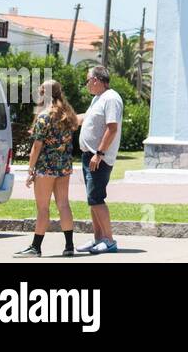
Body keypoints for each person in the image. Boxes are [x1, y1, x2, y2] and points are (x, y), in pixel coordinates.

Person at [13, 80, 78, 258]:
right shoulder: (67, 115)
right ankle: (69, 246)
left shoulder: (44, 116)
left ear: (45, 94)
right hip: (64, 167)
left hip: (46, 168)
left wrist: (30, 170)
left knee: (43, 208)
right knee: (63, 204)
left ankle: (36, 247)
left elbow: (37, 146)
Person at [75, 66, 122, 255]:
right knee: (92, 199)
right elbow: (85, 119)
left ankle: (109, 240)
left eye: (87, 80)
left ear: (96, 79)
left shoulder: (111, 99)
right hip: (90, 156)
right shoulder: (98, 99)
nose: (86, 84)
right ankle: (98, 239)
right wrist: (59, 117)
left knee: (96, 199)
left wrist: (99, 153)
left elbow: (112, 128)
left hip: (99, 158)